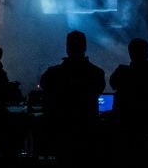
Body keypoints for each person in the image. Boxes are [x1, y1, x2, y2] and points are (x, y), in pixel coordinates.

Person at [39, 30, 106, 165]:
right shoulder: (97, 73)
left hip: (62, 131)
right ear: (85, 47)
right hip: (87, 130)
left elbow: (45, 89)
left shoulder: (52, 74)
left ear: (67, 48)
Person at [109, 38, 148, 163]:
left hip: (125, 126)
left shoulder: (123, 72)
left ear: (130, 53)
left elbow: (113, 84)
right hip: (147, 126)